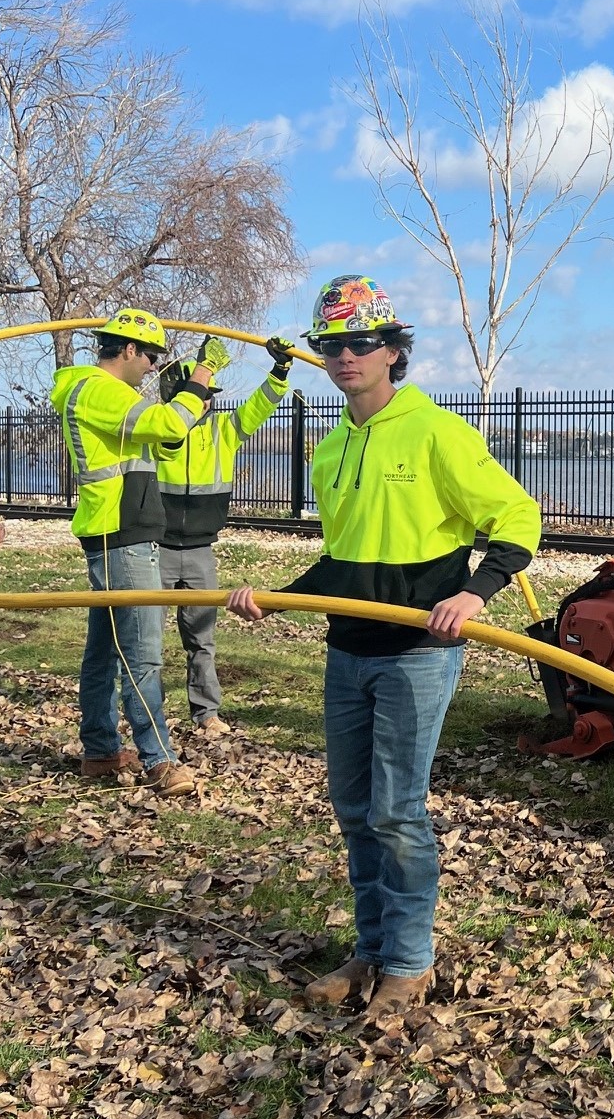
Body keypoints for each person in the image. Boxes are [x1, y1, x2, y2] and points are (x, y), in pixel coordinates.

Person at [228, 276, 541, 1019]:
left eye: (361, 343)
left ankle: (408, 961)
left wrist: (475, 591)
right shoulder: (334, 447)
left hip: (415, 656)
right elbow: (344, 556)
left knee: (398, 812)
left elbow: (517, 515)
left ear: (394, 350)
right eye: (330, 345)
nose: (344, 357)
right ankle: (370, 948)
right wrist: (276, 594)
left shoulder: (436, 432)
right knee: (354, 805)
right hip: (349, 652)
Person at [49, 309, 221, 792]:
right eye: (149, 356)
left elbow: (163, 440)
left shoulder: (106, 396)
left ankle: (101, 751)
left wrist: (190, 405)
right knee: (142, 653)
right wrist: (200, 380)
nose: (152, 366)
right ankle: (159, 760)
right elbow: (168, 423)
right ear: (126, 349)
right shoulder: (99, 390)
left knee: (105, 652)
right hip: (120, 533)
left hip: (121, 530)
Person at [155, 336, 296, 736]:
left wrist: (280, 369)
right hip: (157, 550)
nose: (205, 402)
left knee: (202, 639)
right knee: (145, 641)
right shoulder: (158, 429)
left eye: (208, 395)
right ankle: (145, 715)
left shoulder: (225, 429)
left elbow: (262, 403)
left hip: (200, 551)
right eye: (198, 394)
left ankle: (206, 714)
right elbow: (166, 439)